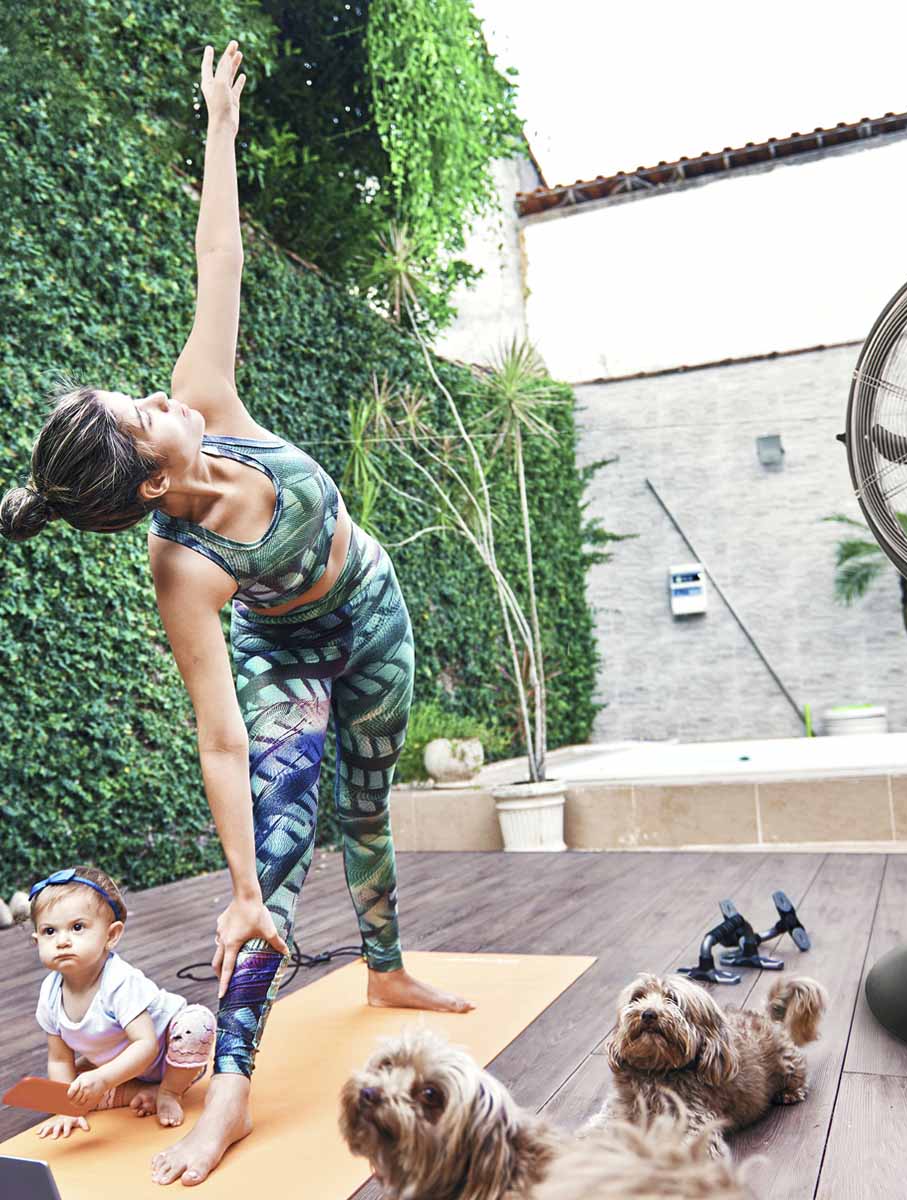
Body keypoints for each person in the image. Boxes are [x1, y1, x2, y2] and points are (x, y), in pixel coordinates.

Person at [0, 40, 473, 1187]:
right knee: (272, 856)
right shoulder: (184, 562)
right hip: (284, 651)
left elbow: (220, 260)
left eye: (144, 392)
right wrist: (248, 888)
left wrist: (219, 126)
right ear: (150, 479)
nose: (162, 397)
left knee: (366, 808)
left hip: (374, 615)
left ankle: (386, 964)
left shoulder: (209, 401)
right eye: (141, 411)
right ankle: (228, 1094)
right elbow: (221, 732)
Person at [26, 865, 215, 1138]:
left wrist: (102, 1079)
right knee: (71, 1091)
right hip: (120, 1069)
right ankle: (140, 1092)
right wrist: (67, 1108)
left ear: (111, 935)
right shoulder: (50, 993)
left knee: (197, 1023)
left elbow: (146, 1044)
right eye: (49, 932)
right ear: (37, 940)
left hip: (171, 1059)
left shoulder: (119, 981)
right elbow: (58, 1058)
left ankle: (169, 1092)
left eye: (77, 927)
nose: (62, 941)